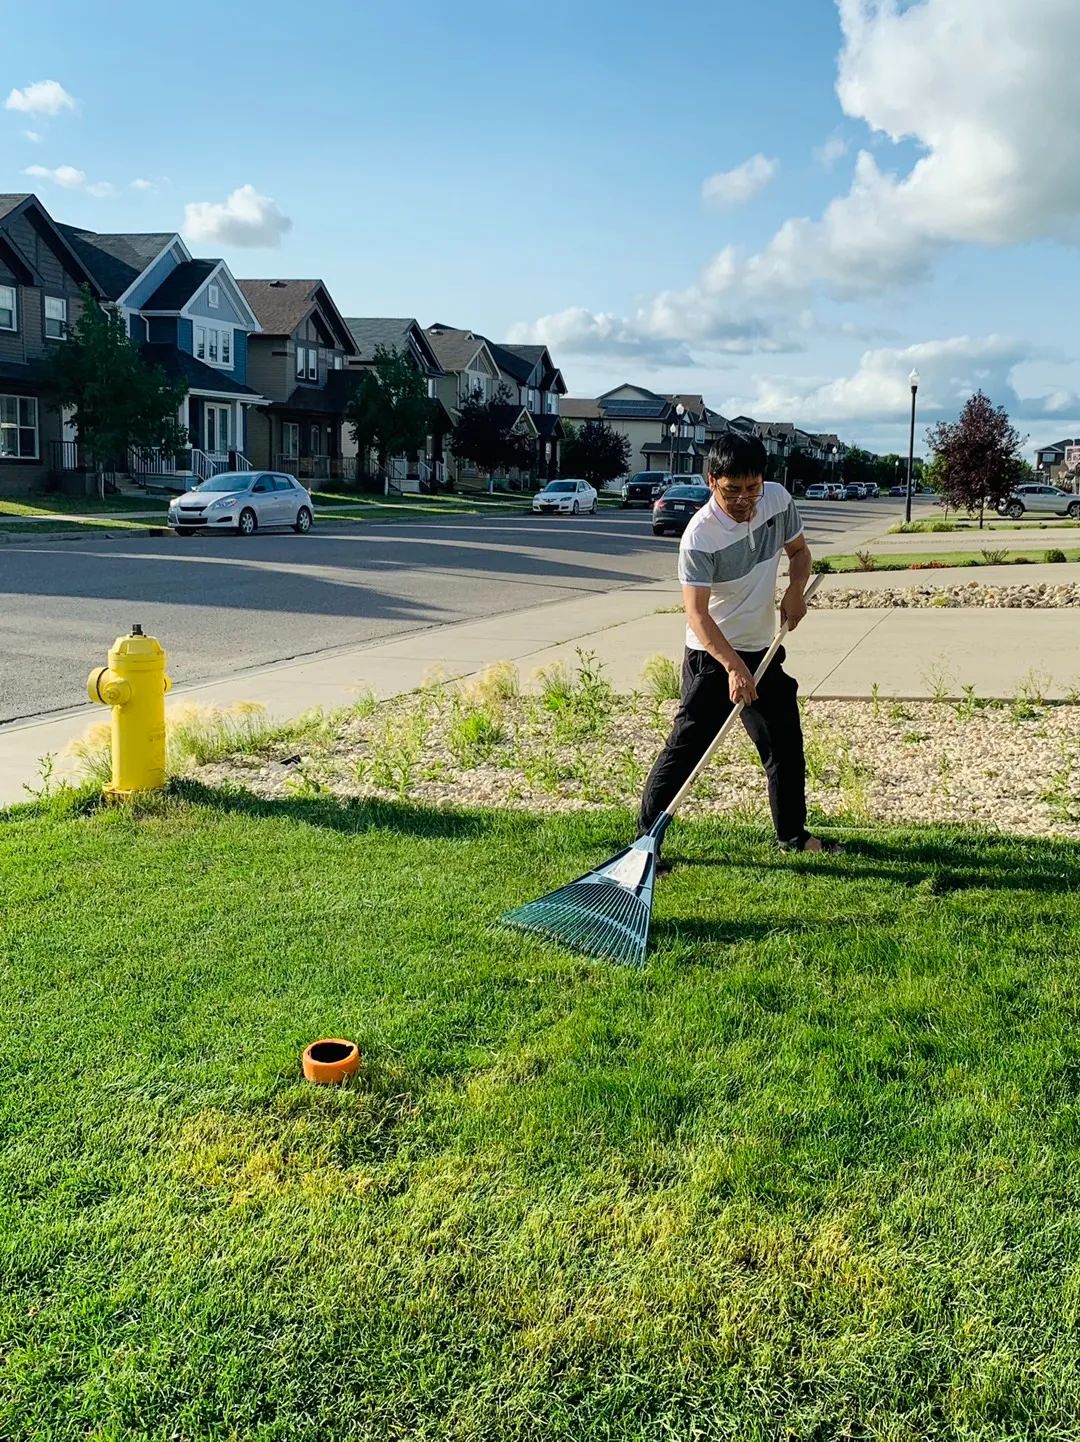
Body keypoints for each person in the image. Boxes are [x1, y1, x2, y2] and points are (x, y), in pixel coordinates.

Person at [638, 431, 838, 860]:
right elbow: (697, 615)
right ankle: (646, 845)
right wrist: (732, 667)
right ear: (712, 481)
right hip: (713, 656)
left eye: (752, 488)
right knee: (686, 752)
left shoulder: (778, 500)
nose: (745, 499)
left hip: (764, 650)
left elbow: (800, 553)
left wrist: (795, 590)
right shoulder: (700, 537)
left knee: (785, 744)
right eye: (732, 490)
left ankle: (793, 836)